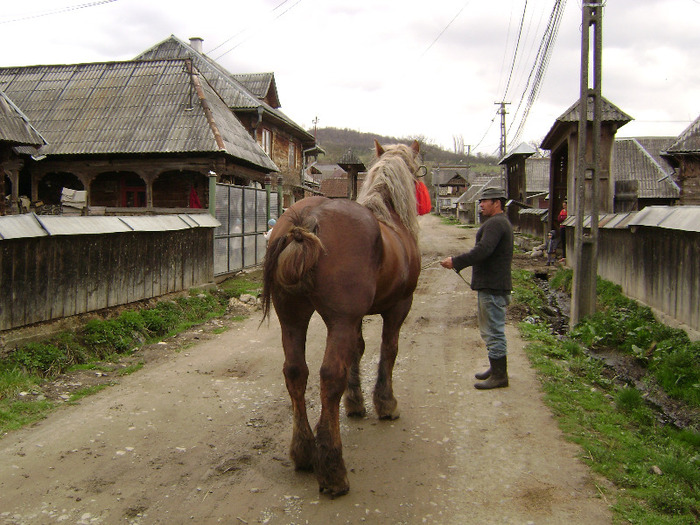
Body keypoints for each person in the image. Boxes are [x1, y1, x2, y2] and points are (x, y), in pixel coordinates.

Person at [440, 187, 514, 390]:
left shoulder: (496, 224)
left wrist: (456, 261)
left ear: (496, 203)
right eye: (480, 201)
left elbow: (483, 251)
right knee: (490, 330)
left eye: (484, 201)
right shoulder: (498, 222)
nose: (480, 205)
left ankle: (500, 376)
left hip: (493, 286)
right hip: (494, 285)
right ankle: (496, 367)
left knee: (493, 331)